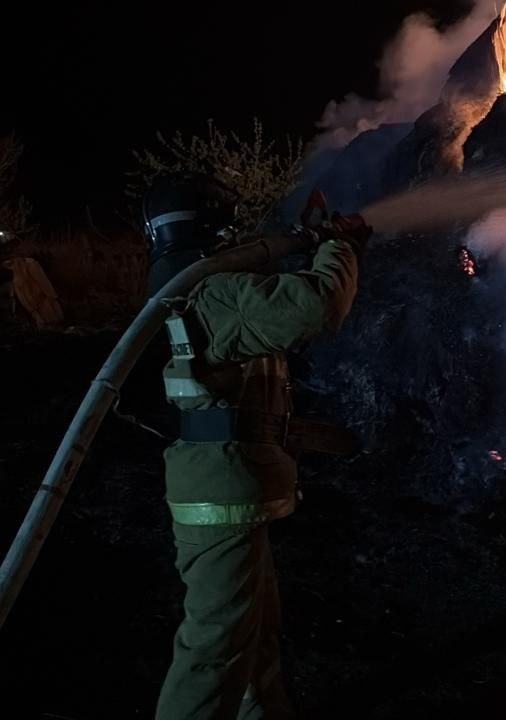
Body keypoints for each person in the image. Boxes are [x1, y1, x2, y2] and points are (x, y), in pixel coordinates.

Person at [142, 174, 368, 720]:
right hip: (221, 489)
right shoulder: (211, 292)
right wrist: (339, 246)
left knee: (252, 636)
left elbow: (262, 301)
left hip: (224, 486)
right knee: (215, 648)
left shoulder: (192, 288)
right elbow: (314, 306)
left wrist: (309, 238)